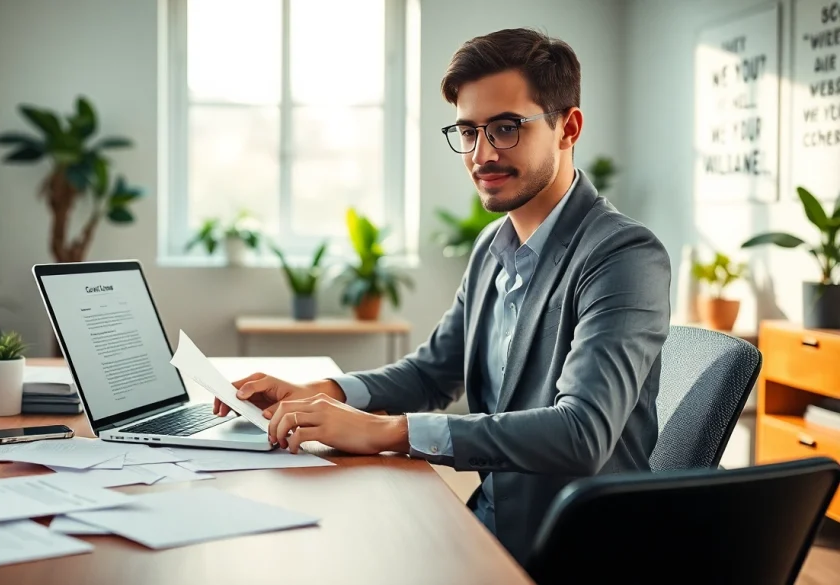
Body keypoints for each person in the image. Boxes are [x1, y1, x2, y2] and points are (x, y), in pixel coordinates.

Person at [213, 27, 671, 563]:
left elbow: (581, 433)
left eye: (505, 129)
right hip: (490, 529)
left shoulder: (623, 254)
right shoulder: (492, 246)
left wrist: (389, 431)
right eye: (468, 132)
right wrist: (324, 390)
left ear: (567, 128)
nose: (482, 154)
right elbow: (433, 373)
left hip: (571, 552)